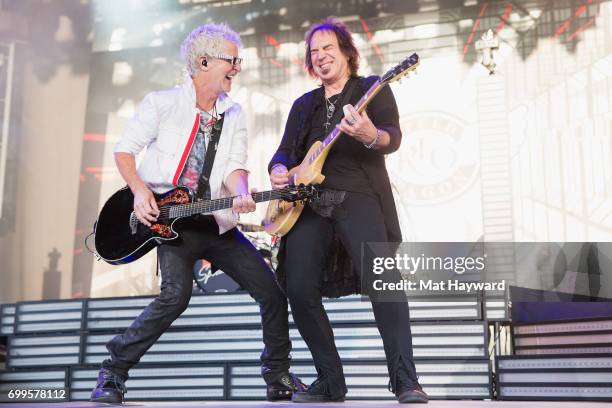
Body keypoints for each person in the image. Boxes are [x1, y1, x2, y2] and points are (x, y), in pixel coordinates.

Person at [90, 23, 305, 404]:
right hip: (170, 223)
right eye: (232, 60)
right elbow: (125, 151)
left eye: (239, 61)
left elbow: (235, 168)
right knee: (175, 297)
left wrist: (240, 194)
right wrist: (140, 192)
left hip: (216, 223)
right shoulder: (162, 103)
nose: (237, 68)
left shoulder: (234, 112)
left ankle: (278, 374)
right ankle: (113, 372)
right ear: (204, 61)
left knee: (271, 293)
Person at [268, 17, 428, 404]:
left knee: (384, 285)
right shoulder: (303, 105)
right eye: (314, 52)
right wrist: (278, 169)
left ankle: (405, 380)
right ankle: (330, 381)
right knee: (300, 287)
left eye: (328, 49)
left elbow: (392, 137)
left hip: (359, 195)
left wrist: (369, 135)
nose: (321, 57)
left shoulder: (372, 88)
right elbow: (285, 152)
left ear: (346, 53)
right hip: (308, 203)